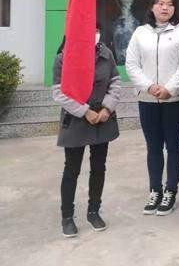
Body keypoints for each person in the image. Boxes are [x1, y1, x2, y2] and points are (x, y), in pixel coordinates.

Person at [125, 0, 179, 216]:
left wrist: (169, 89)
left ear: (175, 8)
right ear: (152, 7)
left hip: (174, 100)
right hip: (148, 99)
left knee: (173, 145)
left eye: (170, 4)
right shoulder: (140, 32)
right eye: (160, 3)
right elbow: (131, 64)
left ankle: (170, 191)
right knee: (153, 147)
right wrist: (149, 87)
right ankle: (155, 190)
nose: (165, 8)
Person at [53, 27, 121, 238]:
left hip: (102, 118)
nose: (94, 33)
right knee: (71, 169)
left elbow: (115, 82)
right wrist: (85, 111)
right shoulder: (63, 58)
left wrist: (107, 108)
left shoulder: (105, 54)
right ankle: (67, 216)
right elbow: (58, 91)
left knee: (98, 167)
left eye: (96, 29)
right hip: (76, 119)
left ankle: (94, 211)